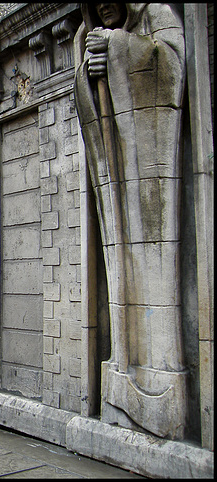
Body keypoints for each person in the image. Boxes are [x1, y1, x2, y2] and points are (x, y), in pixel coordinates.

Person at [74, 4, 187, 438]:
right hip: (116, 181)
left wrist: (120, 48)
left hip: (152, 179)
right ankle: (122, 375)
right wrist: (90, 69)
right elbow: (86, 96)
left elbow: (172, 64)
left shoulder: (157, 12)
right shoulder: (88, 34)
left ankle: (159, 383)